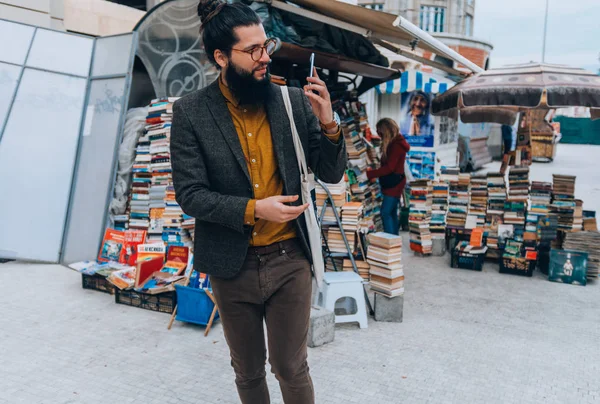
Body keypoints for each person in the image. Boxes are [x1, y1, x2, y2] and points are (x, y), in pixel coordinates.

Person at [169, 1, 346, 403]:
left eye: (266, 45)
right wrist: (255, 209)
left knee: (291, 366)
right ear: (220, 56)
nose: (266, 56)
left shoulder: (292, 102)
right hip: (231, 265)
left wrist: (329, 122)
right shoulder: (191, 113)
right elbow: (190, 195)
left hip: (289, 260)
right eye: (253, 50)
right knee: (247, 373)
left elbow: (331, 174)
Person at [367, 118, 410, 235]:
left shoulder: (396, 145)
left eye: (379, 132)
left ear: (385, 131)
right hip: (395, 182)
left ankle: (390, 242)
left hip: (394, 184)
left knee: (385, 213)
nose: (379, 135)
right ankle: (394, 243)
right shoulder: (395, 143)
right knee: (391, 213)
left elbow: (389, 168)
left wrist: (370, 174)